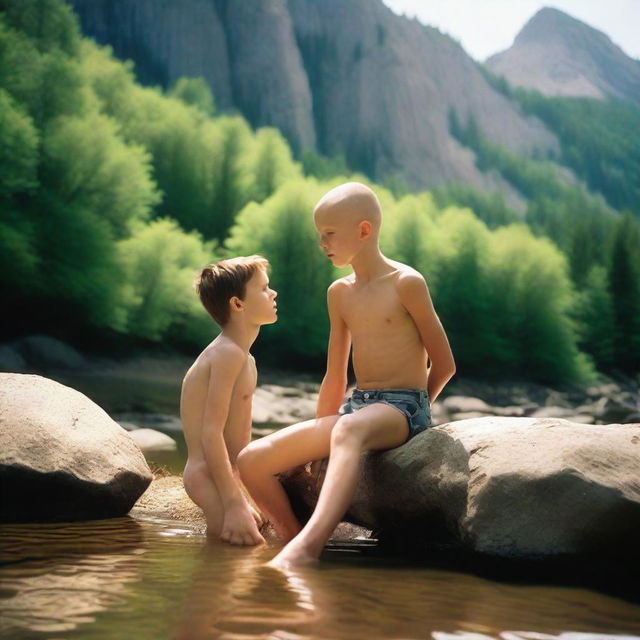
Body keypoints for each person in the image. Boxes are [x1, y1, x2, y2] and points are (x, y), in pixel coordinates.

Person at [238, 182, 456, 568]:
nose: (322, 243)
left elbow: (445, 364)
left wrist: (419, 412)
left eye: (330, 234)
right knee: (252, 458)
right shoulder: (339, 293)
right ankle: (293, 539)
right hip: (356, 410)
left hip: (404, 407)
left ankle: (307, 548)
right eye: (319, 235)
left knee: (349, 430)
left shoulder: (407, 283)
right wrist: (324, 432)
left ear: (365, 230)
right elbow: (334, 375)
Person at [180, 255, 277, 546]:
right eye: (264, 289)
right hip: (208, 473)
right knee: (233, 547)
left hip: (229, 473)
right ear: (238, 304)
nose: (273, 294)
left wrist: (245, 484)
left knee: (252, 538)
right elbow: (211, 432)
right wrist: (234, 502)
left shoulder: (245, 358)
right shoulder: (227, 354)